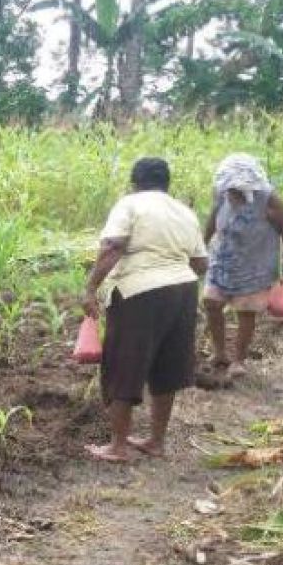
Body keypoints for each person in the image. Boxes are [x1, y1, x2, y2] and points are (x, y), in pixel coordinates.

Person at [82, 158, 209, 463]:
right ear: (167, 183)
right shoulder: (184, 211)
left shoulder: (130, 205)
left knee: (124, 364)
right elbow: (201, 263)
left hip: (140, 292)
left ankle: (118, 446)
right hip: (184, 290)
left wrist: (90, 288)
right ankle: (155, 441)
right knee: (167, 366)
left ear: (134, 182)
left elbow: (113, 247)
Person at [203, 153, 283, 378]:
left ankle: (239, 360)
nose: (233, 193)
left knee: (246, 312)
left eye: (237, 190)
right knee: (211, 302)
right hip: (223, 259)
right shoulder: (221, 192)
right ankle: (220, 353)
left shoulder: (269, 198)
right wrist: (201, 246)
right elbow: (212, 220)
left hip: (255, 264)